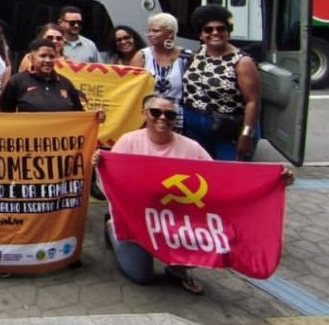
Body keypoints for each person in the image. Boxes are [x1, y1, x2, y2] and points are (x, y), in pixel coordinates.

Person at [96, 94, 295, 295]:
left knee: (212, 233)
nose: (163, 118)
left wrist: (275, 179)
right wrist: (101, 164)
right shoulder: (128, 142)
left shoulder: (191, 147)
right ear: (144, 114)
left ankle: (177, 268)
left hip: (174, 219)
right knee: (141, 276)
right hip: (137, 220)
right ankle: (113, 227)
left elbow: (220, 180)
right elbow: (110, 184)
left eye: (169, 114)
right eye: (156, 112)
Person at [181, 5, 261, 161]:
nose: (215, 33)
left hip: (229, 130)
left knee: (229, 172)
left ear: (228, 32)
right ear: (200, 34)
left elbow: (253, 102)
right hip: (195, 129)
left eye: (220, 29)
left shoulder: (242, 62)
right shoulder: (198, 53)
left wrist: (247, 135)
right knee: (200, 172)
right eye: (208, 30)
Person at [129, 13, 190, 129]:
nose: (150, 35)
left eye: (155, 31)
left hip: (174, 118)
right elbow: (131, 89)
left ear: (170, 33)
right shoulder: (142, 56)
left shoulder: (186, 57)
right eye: (149, 31)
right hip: (147, 118)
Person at [0, 38, 86, 113]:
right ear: (31, 58)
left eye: (52, 57)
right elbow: (5, 115)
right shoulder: (17, 81)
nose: (48, 60)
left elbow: (79, 115)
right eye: (43, 56)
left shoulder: (66, 83)